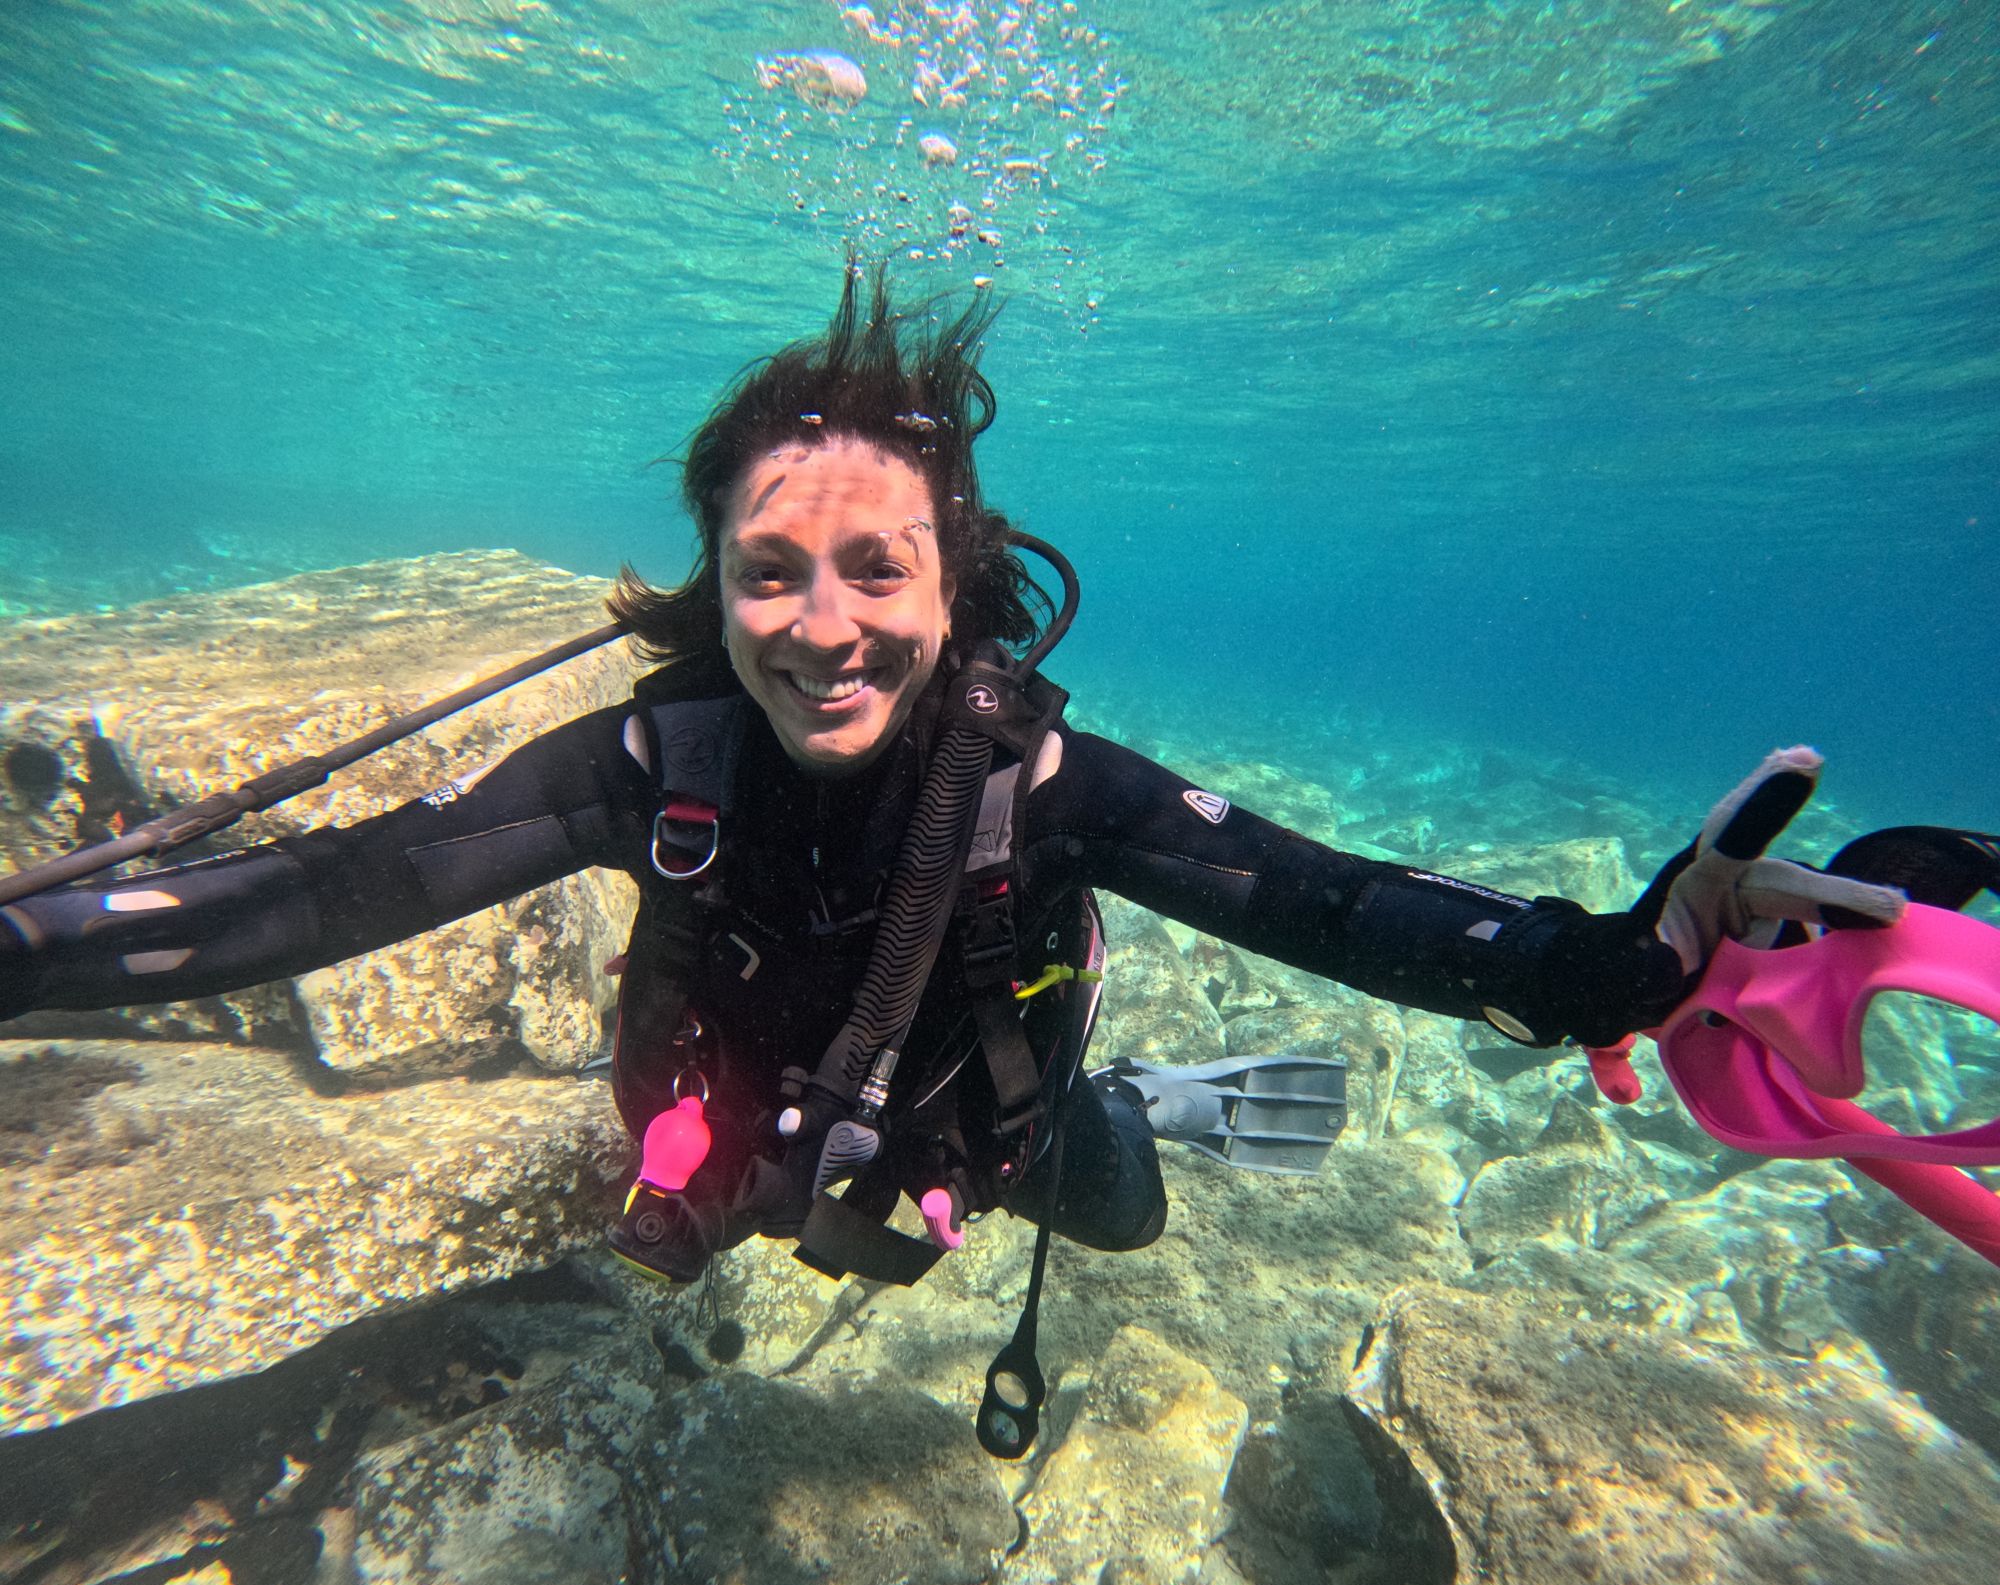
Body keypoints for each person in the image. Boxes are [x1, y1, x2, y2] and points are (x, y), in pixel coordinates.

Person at [0, 266, 1905, 1341]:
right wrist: (27, 949)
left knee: (1099, 1216)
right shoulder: (659, 764)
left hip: (971, 1125)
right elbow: (333, 891)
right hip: (724, 1117)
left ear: (955, 583)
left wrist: (1610, 963)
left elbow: (1335, 905)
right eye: (769, 573)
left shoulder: (1042, 788)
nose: (822, 629)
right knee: (689, 1232)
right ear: (713, 586)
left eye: (876, 569)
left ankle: (1130, 1103)